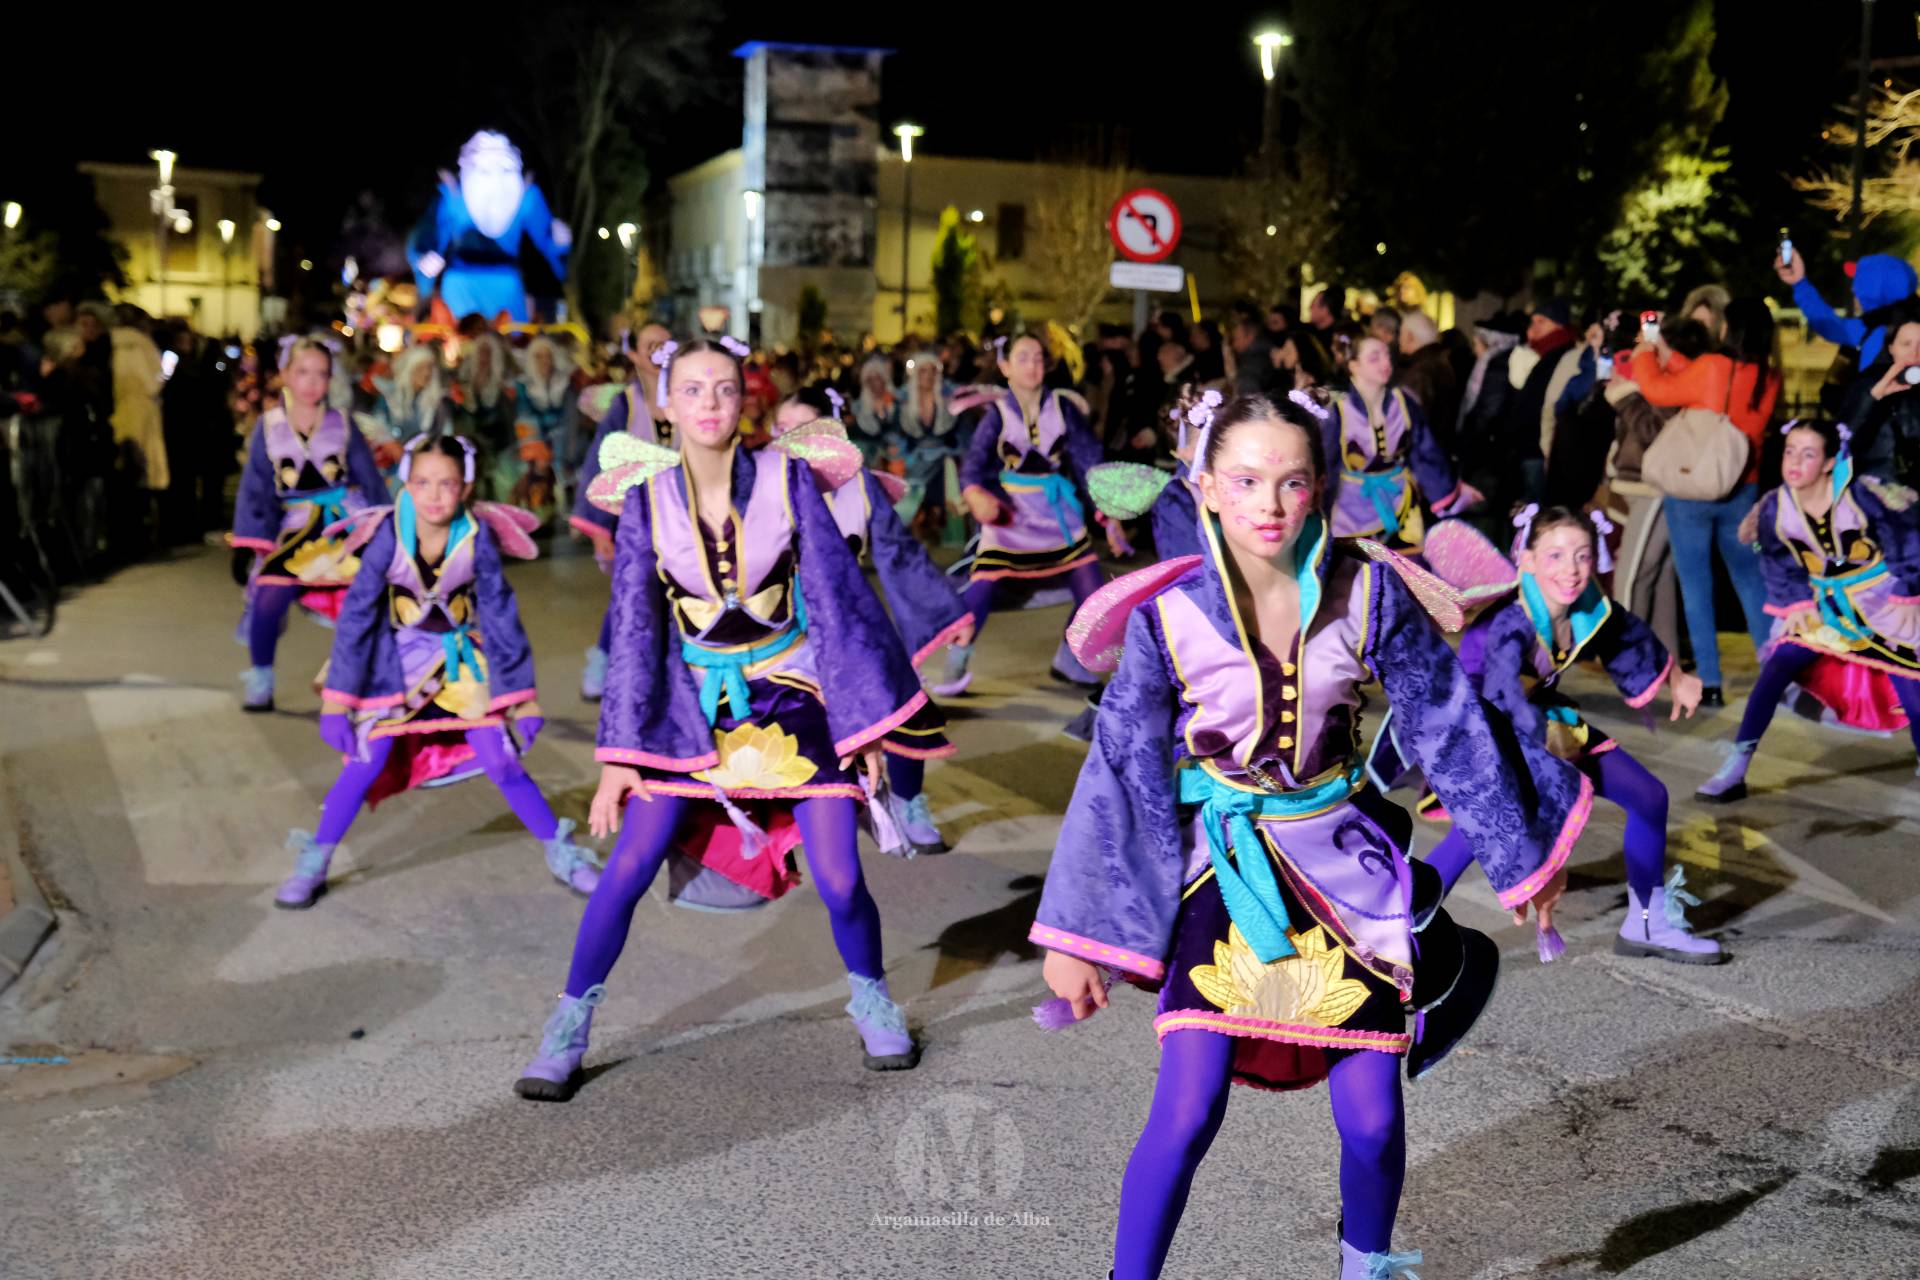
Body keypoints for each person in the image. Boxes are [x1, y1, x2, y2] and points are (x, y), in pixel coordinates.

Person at [1033, 388, 1582, 1280]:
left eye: (1291, 483)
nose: (1269, 504)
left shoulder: (1369, 595)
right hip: (1225, 869)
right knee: (1187, 1107)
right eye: (1246, 480)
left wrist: (1522, 860)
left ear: (1319, 488)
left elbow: (1450, 724)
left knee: (1371, 1116)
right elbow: (1121, 776)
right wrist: (1079, 937)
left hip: (1348, 870)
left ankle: (1364, 1266)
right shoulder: (1165, 616)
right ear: (1205, 487)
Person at [515, 339, 938, 1101]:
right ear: (667, 405)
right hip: (690, 708)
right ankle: (569, 1024)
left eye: (724, 389)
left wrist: (866, 725)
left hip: (793, 692)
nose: (709, 403)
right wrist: (618, 757)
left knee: (841, 879)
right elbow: (636, 628)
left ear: (745, 402)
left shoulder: (787, 475)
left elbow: (840, 601)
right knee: (628, 865)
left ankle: (872, 997)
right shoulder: (644, 495)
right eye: (693, 390)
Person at [279, 435, 602, 907]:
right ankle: (316, 858)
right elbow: (357, 618)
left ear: (466, 487)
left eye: (447, 484)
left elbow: (499, 615)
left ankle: (562, 852)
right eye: (422, 482)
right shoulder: (387, 535)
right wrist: (336, 701)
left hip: (460, 662)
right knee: (368, 759)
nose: (434, 494)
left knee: (501, 759)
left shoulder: (476, 537)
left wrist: (523, 699)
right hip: (396, 663)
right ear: (404, 484)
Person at [1419, 511, 1720, 964]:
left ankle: (1646, 923)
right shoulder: (1511, 625)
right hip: (1489, 734)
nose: (1572, 569)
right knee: (1477, 831)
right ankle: (1397, 928)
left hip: (1540, 722)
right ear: (1527, 561)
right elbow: (1505, 704)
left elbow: (1624, 630)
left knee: (1648, 797)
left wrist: (1676, 676)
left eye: (1583, 556)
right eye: (1555, 556)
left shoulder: (1585, 603)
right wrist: (1542, 847)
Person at [770, 386, 971, 848]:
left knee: (902, 699)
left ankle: (907, 798)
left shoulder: (858, 485)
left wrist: (948, 612)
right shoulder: (761, 481)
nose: (789, 439)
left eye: (803, 429)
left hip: (847, 623)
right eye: (781, 429)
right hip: (778, 626)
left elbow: (898, 553)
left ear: (832, 434)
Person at [1698, 419, 1920, 801]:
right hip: (1824, 605)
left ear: (1830, 462)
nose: (1795, 462)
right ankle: (1737, 764)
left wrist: (1908, 592)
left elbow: (1908, 539)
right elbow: (1776, 561)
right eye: (1789, 452)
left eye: (1808, 454)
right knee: (1779, 663)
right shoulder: (1775, 507)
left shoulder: (1863, 496)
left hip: (1882, 601)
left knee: (1909, 682)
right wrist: (1793, 601)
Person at [943, 333, 1127, 696]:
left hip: (1058, 515)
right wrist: (975, 494)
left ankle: (1070, 660)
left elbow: (1090, 461)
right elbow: (974, 466)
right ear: (1005, 366)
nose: (1033, 365)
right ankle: (956, 660)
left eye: (1039, 358)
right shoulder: (996, 413)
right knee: (982, 587)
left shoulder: (1063, 406)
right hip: (1011, 518)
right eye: (1024, 357)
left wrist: (1110, 515)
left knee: (1093, 593)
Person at [1625, 306, 1778, 705]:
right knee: (1750, 581)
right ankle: (1775, 674)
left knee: (1695, 586)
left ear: (1729, 327)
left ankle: (1709, 682)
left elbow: (1659, 390)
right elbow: (1702, 381)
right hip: (1741, 489)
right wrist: (1665, 351)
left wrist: (1644, 353)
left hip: (1693, 489)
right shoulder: (1768, 375)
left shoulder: (1713, 366)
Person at [229, 338, 390, 712]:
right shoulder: (268, 426)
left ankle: (352, 679)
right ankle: (261, 678)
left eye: (321, 373)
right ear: (284, 375)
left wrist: (385, 529)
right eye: (302, 372)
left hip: (343, 525)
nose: (311, 382)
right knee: (268, 597)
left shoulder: (343, 424)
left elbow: (370, 481)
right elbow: (256, 488)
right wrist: (251, 541)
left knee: (362, 603)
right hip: (295, 529)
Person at [570, 322, 675, 701]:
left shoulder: (689, 398)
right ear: (634, 354)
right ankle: (603, 659)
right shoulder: (625, 405)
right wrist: (600, 532)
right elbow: (597, 464)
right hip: (632, 523)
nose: (659, 351)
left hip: (683, 520)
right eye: (650, 345)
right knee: (631, 594)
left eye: (665, 344)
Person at [1325, 332, 1477, 551]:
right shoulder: (1338, 410)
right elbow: (1326, 467)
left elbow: (1426, 454)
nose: (1386, 363)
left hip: (1400, 505)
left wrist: (1452, 494)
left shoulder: (1403, 403)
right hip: (1350, 511)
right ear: (1354, 366)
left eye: (1387, 356)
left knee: (1404, 572)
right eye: (1374, 358)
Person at [1777, 247, 1918, 369]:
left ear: (1871, 291)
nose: (1853, 290)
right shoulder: (1901, 322)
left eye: (1859, 283)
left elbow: (1827, 323)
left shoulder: (1872, 328)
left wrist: (1800, 283)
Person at [1503, 299, 1583, 509]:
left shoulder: (1563, 354)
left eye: (1542, 321)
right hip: (1530, 445)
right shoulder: (1540, 354)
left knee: (1538, 511)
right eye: (1533, 321)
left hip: (1539, 448)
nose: (1534, 327)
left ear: (1558, 325)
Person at [1837, 305, 1920, 485]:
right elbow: (1842, 440)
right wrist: (1873, 397)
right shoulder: (1867, 384)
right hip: (1875, 490)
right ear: (1891, 347)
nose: (1915, 353)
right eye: (1906, 344)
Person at [509, 335, 577, 522]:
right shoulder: (523, 386)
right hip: (534, 444)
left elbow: (570, 418)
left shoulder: (566, 384)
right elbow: (524, 418)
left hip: (563, 441)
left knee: (568, 455)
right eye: (538, 356)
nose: (544, 361)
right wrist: (541, 451)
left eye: (547, 356)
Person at [1395, 310, 1458, 451]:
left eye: (1401, 334)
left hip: (1424, 453)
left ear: (1410, 336)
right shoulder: (1440, 361)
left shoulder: (1421, 372)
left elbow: (1408, 421)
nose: (1398, 339)